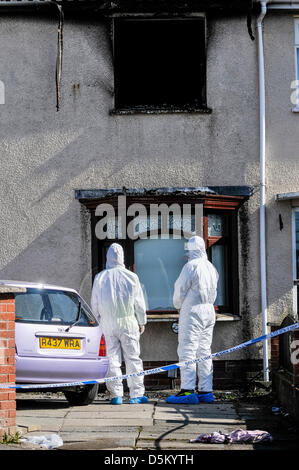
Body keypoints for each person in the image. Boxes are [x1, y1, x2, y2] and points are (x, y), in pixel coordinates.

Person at [91, 243, 148, 405]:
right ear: (122, 257)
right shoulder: (132, 277)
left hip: (107, 323)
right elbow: (139, 303)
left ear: (108, 257)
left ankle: (116, 394)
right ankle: (136, 394)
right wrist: (141, 321)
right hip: (128, 321)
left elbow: (94, 303)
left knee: (112, 359)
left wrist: (96, 322)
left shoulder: (100, 277)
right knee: (133, 358)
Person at [166, 235, 219, 404]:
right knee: (204, 351)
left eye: (187, 252)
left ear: (192, 251)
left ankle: (187, 391)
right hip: (209, 310)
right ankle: (206, 390)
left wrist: (177, 305)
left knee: (187, 350)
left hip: (193, 311)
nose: (186, 255)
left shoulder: (191, 267)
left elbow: (179, 289)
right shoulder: (211, 267)